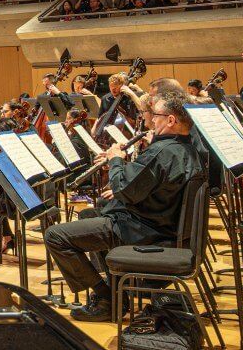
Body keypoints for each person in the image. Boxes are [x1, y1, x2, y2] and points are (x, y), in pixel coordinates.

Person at [43, 89, 204, 321]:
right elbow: (144, 183)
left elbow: (123, 189)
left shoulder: (163, 151)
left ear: (171, 120)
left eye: (154, 115)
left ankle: (106, 296)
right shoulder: (186, 149)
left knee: (55, 236)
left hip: (142, 231)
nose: (150, 119)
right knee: (90, 214)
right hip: (158, 223)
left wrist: (115, 159)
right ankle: (113, 288)